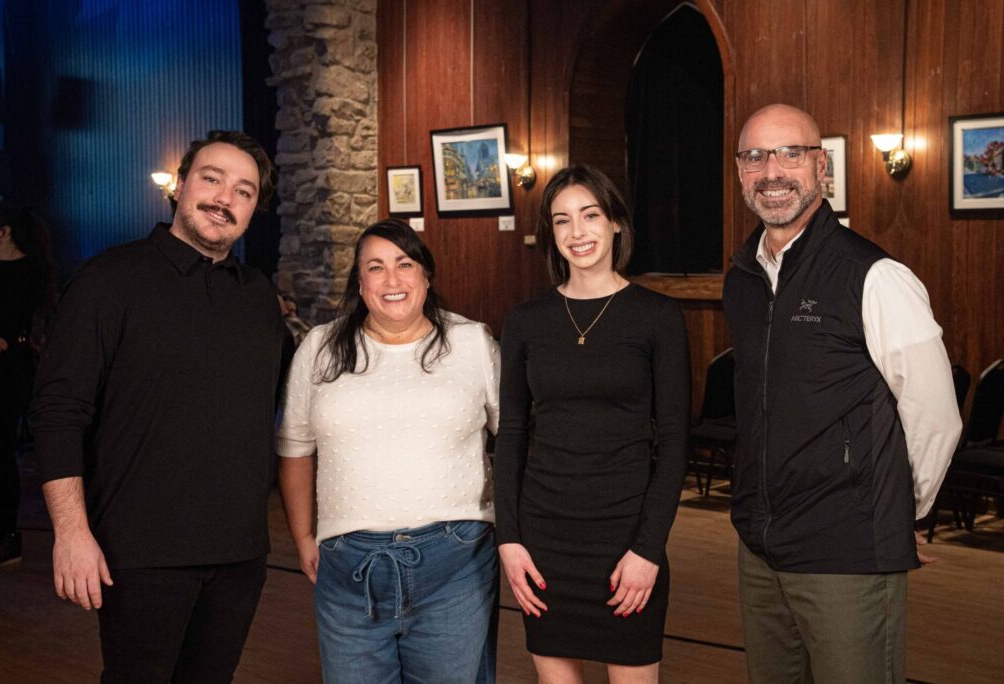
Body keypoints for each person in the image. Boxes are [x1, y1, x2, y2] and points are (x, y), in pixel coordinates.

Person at [31, 130, 285, 683]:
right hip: (141, 552)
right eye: (211, 179)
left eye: (243, 191)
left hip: (239, 553)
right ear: (180, 185)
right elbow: (57, 413)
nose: (224, 198)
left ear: (253, 210)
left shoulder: (258, 295)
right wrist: (71, 534)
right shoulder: (110, 280)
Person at [724, 103, 963, 683]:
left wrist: (897, 510)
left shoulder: (875, 276)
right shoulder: (742, 276)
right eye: (755, 157)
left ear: (821, 166)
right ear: (739, 173)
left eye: (790, 153)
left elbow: (936, 416)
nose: (772, 171)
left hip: (847, 553)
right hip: (759, 548)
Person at [276, 219, 500, 684]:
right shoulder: (319, 349)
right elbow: (296, 449)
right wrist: (302, 537)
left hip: (456, 561)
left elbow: (514, 442)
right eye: (375, 268)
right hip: (347, 568)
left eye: (404, 264)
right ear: (360, 283)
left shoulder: (472, 343)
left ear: (426, 276)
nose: (392, 280)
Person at [495, 164, 690, 683]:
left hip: (626, 535)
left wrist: (648, 549)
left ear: (616, 223)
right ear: (550, 234)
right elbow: (510, 435)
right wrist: (509, 540)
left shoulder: (658, 316)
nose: (577, 233)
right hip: (544, 541)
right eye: (562, 221)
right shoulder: (526, 320)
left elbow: (673, 443)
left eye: (590, 216)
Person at [0, 202, 53, 568]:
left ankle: (4, 534)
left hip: (15, 368)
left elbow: (38, 324)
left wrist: (9, 339)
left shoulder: (32, 273)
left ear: (4, 230)